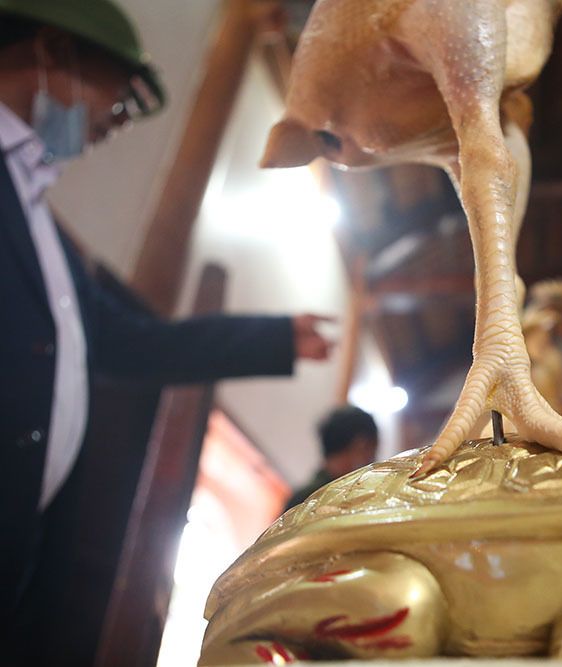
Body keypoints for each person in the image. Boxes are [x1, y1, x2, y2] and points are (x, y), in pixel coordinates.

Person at [0, 0, 335, 631]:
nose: (119, 120)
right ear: (52, 50)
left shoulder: (40, 220)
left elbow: (127, 343)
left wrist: (272, 340)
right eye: (121, 96)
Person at [286, 405, 379, 510]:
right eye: (373, 450)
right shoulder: (358, 501)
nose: (373, 460)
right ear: (361, 445)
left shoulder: (301, 500)